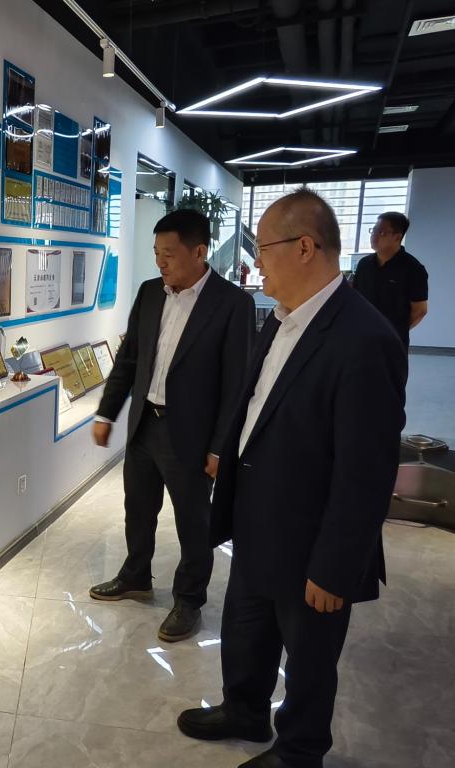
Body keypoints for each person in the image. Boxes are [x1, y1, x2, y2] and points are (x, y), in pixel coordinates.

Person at [176, 188, 407, 768]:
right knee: (246, 625)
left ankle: (300, 750)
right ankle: (244, 709)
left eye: (263, 248)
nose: (255, 262)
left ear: (305, 247)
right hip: (258, 516)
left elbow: (366, 471)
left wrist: (335, 566)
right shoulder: (279, 320)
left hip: (313, 538)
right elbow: (258, 405)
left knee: (309, 655)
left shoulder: (365, 339)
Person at [90, 208, 254, 642]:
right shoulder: (150, 293)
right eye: (156, 253)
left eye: (169, 254)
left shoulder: (232, 304)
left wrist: (220, 447)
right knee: (138, 509)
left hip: (193, 435)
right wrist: (107, 413)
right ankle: (135, 576)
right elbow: (129, 360)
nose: (160, 262)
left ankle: (189, 600)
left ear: (199, 252)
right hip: (145, 423)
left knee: (193, 523)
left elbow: (237, 385)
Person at [352, 212, 428, 349]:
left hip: (392, 341)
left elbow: (420, 310)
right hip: (362, 337)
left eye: (381, 232)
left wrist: (396, 330)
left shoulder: (413, 269)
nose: (374, 235)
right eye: (373, 230)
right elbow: (356, 298)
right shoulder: (364, 264)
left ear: (397, 237)